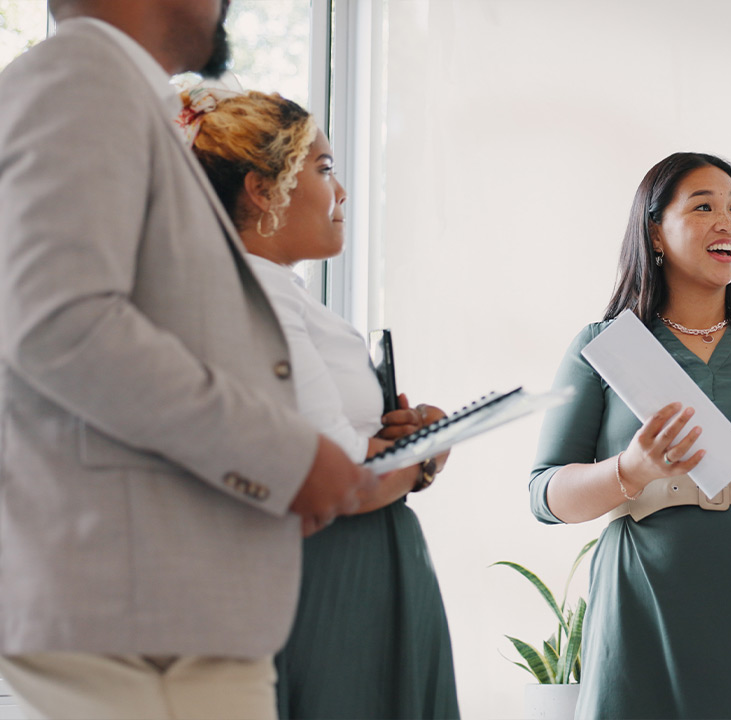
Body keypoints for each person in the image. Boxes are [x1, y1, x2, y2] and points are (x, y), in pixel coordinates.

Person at [0, 1, 378, 718]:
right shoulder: (83, 79)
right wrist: (287, 455)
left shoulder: (115, 92)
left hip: (162, 618)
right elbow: (61, 324)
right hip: (139, 621)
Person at [530, 152, 731, 718]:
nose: (727, 221)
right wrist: (630, 470)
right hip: (645, 598)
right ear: (655, 231)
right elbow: (544, 495)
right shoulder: (605, 345)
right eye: (703, 206)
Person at [185, 87, 461, 719]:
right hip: (334, 573)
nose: (341, 192)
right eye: (324, 168)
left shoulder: (284, 291)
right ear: (262, 189)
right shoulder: (259, 292)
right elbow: (334, 467)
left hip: (360, 561)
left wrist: (405, 440)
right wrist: (423, 456)